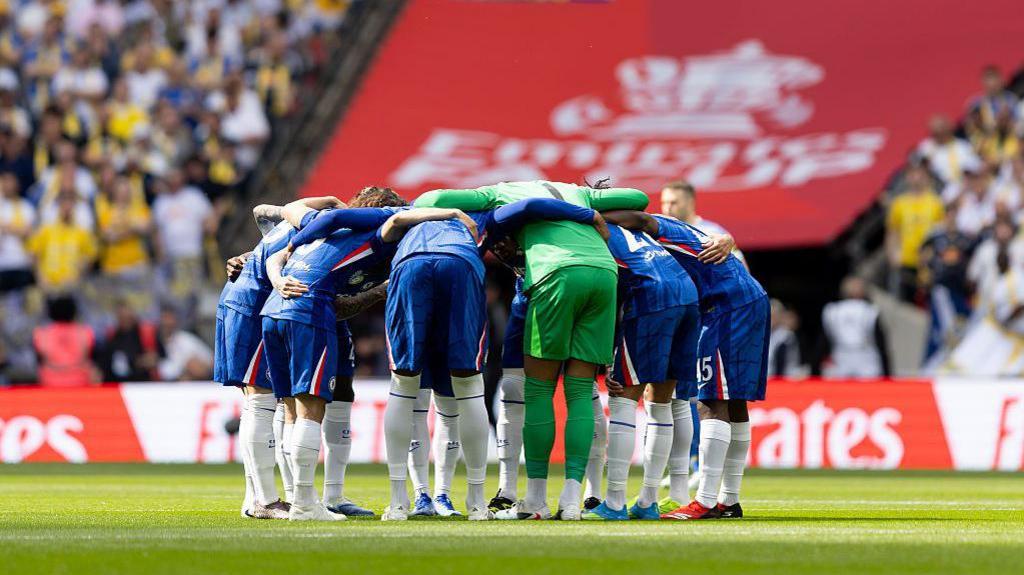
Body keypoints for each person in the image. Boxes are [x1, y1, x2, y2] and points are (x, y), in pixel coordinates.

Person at [414, 181, 648, 520]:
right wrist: (591, 212)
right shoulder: (577, 191)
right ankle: (572, 500)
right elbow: (638, 197)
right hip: (603, 272)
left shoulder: (499, 191)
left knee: (537, 391)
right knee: (581, 391)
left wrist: (469, 209)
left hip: (555, 273)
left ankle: (536, 499)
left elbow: (429, 198)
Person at [600, 209, 768, 520]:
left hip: (726, 306)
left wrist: (594, 214)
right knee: (735, 402)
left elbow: (642, 220)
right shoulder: (685, 232)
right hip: (748, 298)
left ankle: (704, 501)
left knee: (711, 400)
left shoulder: (655, 231)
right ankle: (728, 500)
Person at [261, 196, 414, 521]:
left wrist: (278, 277)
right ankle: (304, 504)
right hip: (309, 312)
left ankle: (300, 499)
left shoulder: (323, 233)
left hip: (273, 310)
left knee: (289, 409)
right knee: (309, 409)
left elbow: (275, 223)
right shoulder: (371, 236)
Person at [214, 196, 341, 520]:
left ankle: (256, 497)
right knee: (260, 404)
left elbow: (260, 211)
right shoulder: (317, 230)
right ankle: (266, 502)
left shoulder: (292, 222)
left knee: (260, 405)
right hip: (256, 304)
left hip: (240, 299)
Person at [581, 221, 707, 521]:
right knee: (660, 402)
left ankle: (613, 503)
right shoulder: (635, 231)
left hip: (653, 299)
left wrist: (608, 357)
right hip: (688, 296)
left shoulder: (590, 234)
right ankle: (648, 499)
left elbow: (608, 299)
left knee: (623, 397)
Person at [886, 165, 944, 301]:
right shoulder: (899, 203)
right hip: (906, 260)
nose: (916, 178)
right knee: (904, 301)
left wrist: (932, 253)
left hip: (928, 262)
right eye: (912, 174)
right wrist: (893, 255)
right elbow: (892, 232)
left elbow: (940, 231)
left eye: (920, 174)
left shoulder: (935, 202)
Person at [820, 276, 890, 378]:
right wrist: (888, 373)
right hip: (866, 361)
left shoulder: (832, 311)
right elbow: (881, 343)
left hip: (842, 359)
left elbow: (824, 342)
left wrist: (815, 369)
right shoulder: (870, 311)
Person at [33, 295, 98, 387]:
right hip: (80, 382)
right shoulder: (85, 332)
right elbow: (90, 356)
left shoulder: (41, 334)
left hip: (50, 383)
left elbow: (39, 359)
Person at [767, 299, 802, 378]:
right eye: (769, 315)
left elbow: (787, 363)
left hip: (781, 378)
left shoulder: (787, 336)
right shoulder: (761, 334)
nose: (771, 319)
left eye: (774, 316)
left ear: (780, 316)